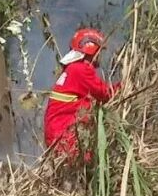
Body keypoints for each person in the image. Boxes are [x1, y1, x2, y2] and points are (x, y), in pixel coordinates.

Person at [44, 28, 119, 159]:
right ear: (92, 50)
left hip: (56, 133)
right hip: (64, 136)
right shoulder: (81, 70)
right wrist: (125, 86)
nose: (100, 56)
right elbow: (105, 93)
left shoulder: (72, 68)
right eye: (99, 51)